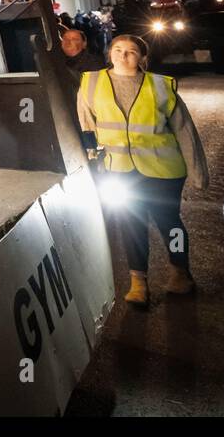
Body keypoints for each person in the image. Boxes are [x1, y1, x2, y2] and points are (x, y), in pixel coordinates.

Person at [77, 34, 209, 306]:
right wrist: (92, 168)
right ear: (109, 53)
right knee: (131, 225)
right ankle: (139, 282)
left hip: (164, 170)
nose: (123, 55)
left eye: (131, 51)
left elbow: (185, 131)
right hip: (120, 170)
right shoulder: (91, 84)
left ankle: (180, 272)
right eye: (117, 49)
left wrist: (198, 173)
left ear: (143, 58)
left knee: (170, 224)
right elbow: (87, 128)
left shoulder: (160, 86)